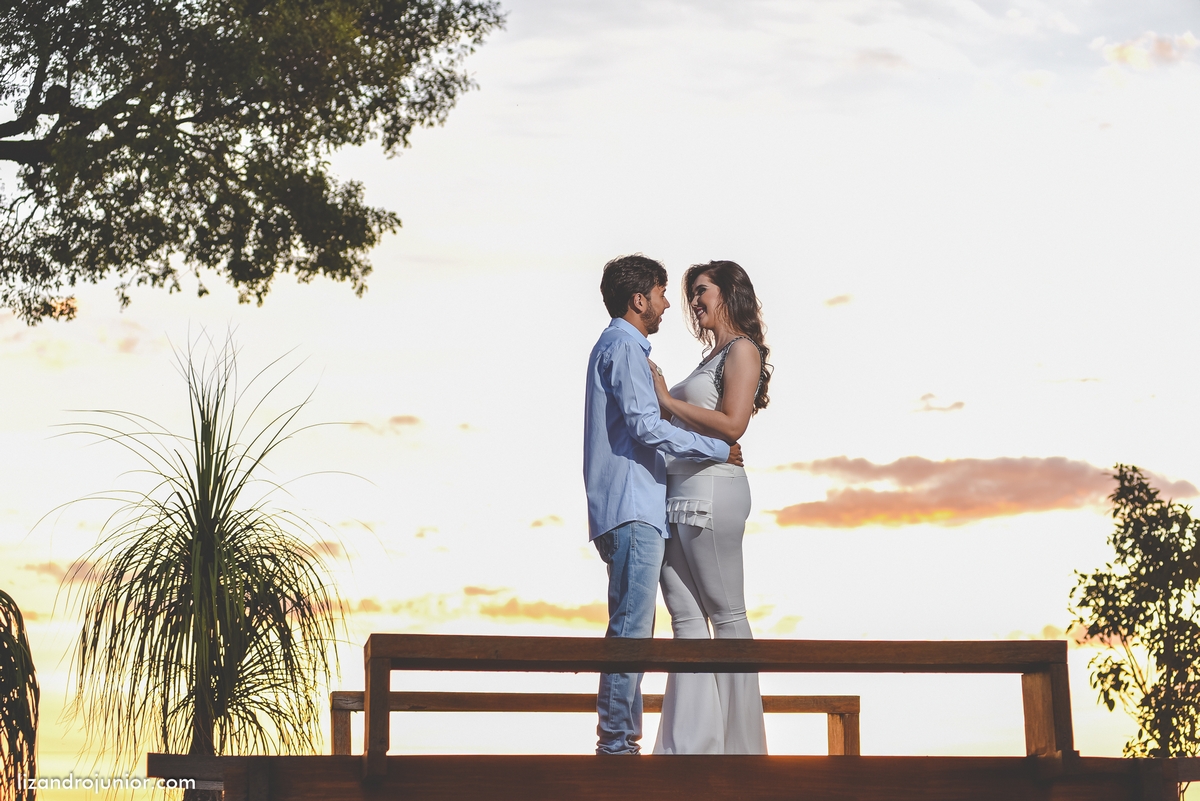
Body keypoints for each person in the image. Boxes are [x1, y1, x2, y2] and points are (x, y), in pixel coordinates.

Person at [583, 254, 743, 755]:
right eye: (660, 293)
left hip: (627, 506)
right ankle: (616, 748)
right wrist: (718, 448)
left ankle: (619, 741)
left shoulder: (614, 347)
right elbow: (646, 428)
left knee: (634, 623)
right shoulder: (625, 348)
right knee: (631, 628)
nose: (669, 303)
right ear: (639, 300)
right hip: (633, 507)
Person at [648, 260, 772, 755]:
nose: (694, 302)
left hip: (713, 493)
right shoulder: (710, 357)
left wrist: (666, 401)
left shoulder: (742, 350)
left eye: (701, 291)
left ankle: (742, 750)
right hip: (676, 495)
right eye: (690, 294)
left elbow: (733, 423)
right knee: (685, 617)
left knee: (727, 614)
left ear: (728, 293)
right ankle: (691, 747)